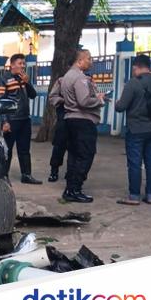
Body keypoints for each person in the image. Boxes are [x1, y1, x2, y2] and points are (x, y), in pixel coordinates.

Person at [61, 49, 106, 203]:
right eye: (89, 58)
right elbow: (84, 101)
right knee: (85, 154)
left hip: (71, 120)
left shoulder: (67, 76)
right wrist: (99, 100)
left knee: (74, 154)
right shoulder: (79, 77)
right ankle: (75, 189)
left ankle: (70, 189)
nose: (91, 61)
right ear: (80, 60)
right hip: (82, 121)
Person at [114, 54, 151, 205]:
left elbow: (120, 107)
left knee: (135, 163)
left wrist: (117, 102)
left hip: (136, 130)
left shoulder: (133, 83)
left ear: (136, 66)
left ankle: (134, 196)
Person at [0, 54, 42, 185]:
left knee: (24, 149)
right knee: (7, 150)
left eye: (24, 63)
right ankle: (3, 177)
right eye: (20, 63)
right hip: (11, 120)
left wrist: (28, 83)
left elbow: (33, 95)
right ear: (12, 64)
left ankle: (26, 175)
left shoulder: (24, 79)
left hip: (25, 119)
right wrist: (4, 121)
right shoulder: (3, 79)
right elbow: (1, 101)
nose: (23, 66)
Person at [47, 77, 66, 182]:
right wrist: (64, 100)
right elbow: (52, 98)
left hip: (79, 120)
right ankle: (54, 171)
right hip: (63, 118)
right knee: (58, 147)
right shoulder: (61, 81)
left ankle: (72, 174)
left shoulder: (86, 79)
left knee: (76, 149)